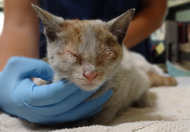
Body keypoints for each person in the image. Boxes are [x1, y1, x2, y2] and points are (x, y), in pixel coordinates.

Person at [0, 0, 167, 124]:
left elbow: (155, 9)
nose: (90, 74)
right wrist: (8, 84)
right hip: (60, 52)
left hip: (121, 48)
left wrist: (104, 43)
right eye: (75, 57)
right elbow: (18, 24)